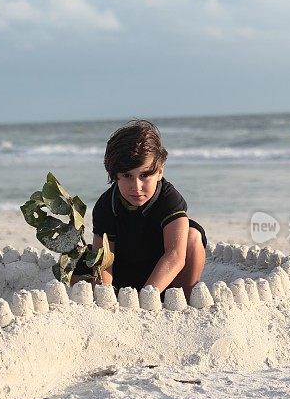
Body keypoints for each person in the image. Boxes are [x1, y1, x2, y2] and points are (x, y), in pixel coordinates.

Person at [78, 119, 206, 300]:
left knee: (192, 236)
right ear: (115, 175)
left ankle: (184, 301)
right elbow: (103, 263)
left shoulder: (169, 199)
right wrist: (106, 295)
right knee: (84, 259)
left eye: (145, 175)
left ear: (160, 171)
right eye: (127, 176)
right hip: (124, 275)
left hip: (163, 277)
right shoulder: (106, 206)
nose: (136, 186)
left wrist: (145, 297)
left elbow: (175, 255)